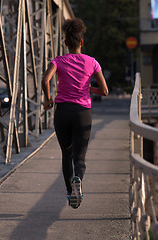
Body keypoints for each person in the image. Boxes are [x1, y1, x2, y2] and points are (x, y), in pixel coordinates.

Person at [41, 18, 108, 209]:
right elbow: (104, 91)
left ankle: (70, 193)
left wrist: (48, 99)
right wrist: (87, 89)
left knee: (66, 154)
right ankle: (78, 178)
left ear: (65, 43)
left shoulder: (58, 61)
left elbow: (46, 80)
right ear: (81, 42)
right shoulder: (92, 62)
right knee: (80, 157)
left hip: (62, 111)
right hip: (82, 112)